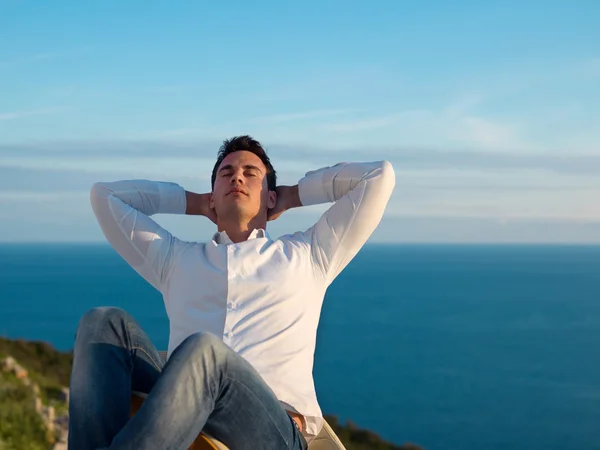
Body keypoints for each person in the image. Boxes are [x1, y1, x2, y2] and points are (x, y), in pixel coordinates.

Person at [69, 135, 395, 450]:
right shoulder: (175, 259)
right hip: (181, 414)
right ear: (212, 197)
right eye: (226, 173)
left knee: (206, 352)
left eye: (250, 173)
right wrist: (194, 203)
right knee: (103, 323)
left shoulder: (308, 254)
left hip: (270, 432)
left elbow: (378, 177)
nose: (237, 177)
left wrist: (293, 195)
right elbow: (104, 196)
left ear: (271, 196)